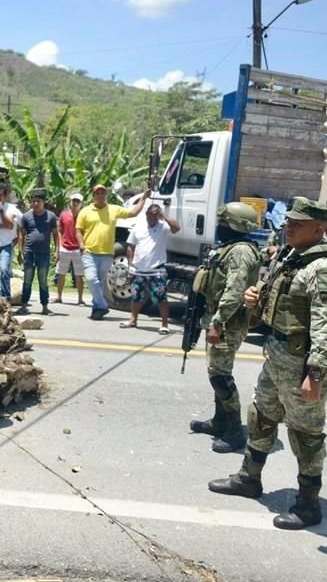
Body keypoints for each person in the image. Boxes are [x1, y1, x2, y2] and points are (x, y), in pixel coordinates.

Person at [209, 198, 327, 531]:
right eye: (288, 222)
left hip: (302, 363)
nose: (289, 227)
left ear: (319, 229)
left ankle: (308, 504)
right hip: (277, 354)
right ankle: (249, 478)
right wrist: (254, 301)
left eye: (297, 224)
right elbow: (273, 303)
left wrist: (315, 374)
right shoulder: (290, 258)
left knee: (305, 434)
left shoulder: (324, 268)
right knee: (262, 415)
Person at [188, 203, 263, 453]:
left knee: (220, 375)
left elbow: (235, 290)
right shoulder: (231, 249)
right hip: (220, 319)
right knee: (215, 371)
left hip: (228, 323)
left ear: (234, 225)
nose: (219, 227)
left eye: (223, 222)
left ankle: (233, 431)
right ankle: (220, 421)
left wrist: (217, 323)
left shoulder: (241, 251)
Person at [76, 185, 147, 321]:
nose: (100, 195)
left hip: (107, 253)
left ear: (106, 195)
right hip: (89, 252)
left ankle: (97, 310)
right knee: (91, 279)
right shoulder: (85, 211)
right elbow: (78, 230)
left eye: (103, 193)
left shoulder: (113, 209)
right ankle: (103, 305)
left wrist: (143, 198)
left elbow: (133, 213)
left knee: (101, 283)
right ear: (93, 195)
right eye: (98, 193)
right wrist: (82, 246)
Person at [124, 203, 181, 332]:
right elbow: (130, 246)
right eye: (150, 215)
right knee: (136, 296)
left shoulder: (163, 227)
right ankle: (133, 320)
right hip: (138, 269)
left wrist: (163, 214)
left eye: (155, 216)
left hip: (156, 269)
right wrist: (129, 265)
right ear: (146, 215)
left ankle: (164, 324)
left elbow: (176, 228)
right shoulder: (138, 227)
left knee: (161, 297)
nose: (152, 218)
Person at [16, 189, 59, 316]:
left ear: (43, 202)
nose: (35, 204)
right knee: (27, 280)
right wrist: (20, 251)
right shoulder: (26, 217)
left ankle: (45, 306)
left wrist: (57, 251)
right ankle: (24, 306)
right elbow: (21, 235)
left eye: (38, 201)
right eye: (33, 201)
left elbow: (56, 235)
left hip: (44, 254)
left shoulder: (50, 217)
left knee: (43, 281)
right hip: (29, 252)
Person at [55, 192, 86, 305]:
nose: (75, 203)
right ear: (70, 202)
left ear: (81, 204)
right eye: (74, 201)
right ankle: (58, 296)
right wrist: (60, 245)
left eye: (78, 201)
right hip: (65, 248)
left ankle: (80, 298)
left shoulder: (84, 216)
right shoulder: (64, 215)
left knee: (79, 275)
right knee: (61, 273)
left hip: (78, 249)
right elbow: (59, 229)